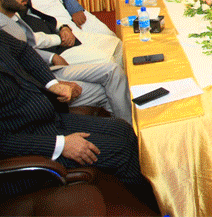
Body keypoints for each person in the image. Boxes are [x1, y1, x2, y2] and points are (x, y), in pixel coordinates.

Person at [0, 28, 155, 211]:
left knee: (123, 129)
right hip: (28, 147)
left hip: (46, 120)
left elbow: (24, 51)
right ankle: (152, 208)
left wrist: (53, 83)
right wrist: (61, 145)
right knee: (121, 153)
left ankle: (153, 195)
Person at [0, 0, 130, 123]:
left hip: (46, 67)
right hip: (36, 83)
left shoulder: (13, 12)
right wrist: (54, 83)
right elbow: (16, 74)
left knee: (113, 70)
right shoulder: (3, 27)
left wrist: (51, 57)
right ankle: (126, 129)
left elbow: (27, 47)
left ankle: (128, 127)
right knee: (103, 90)